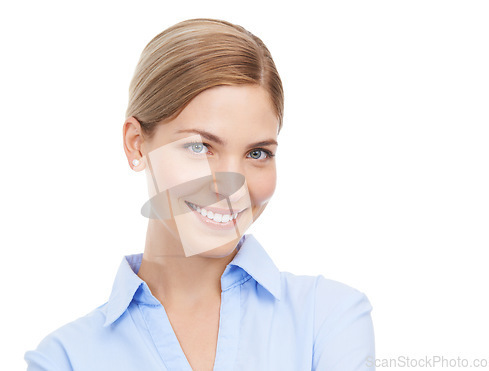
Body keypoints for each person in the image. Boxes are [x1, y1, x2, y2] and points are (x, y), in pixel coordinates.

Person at [24, 18, 375, 370]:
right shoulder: (65, 358)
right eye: (200, 146)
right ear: (136, 144)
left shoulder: (328, 318)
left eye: (257, 153)